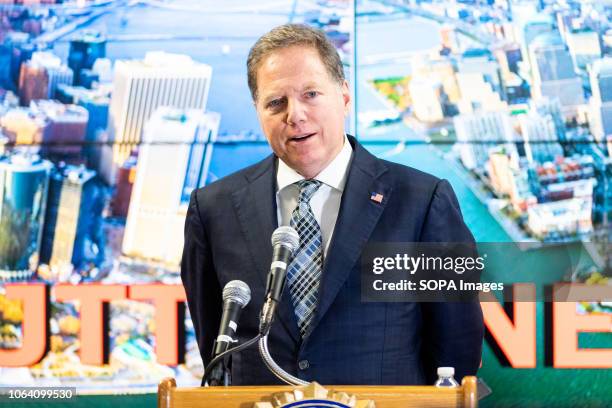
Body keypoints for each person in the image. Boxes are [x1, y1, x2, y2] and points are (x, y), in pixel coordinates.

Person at [181, 24, 484, 386]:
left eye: (311, 94)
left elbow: (458, 352)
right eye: (275, 102)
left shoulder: (423, 201)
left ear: (343, 94)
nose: (294, 114)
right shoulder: (214, 210)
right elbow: (216, 349)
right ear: (258, 110)